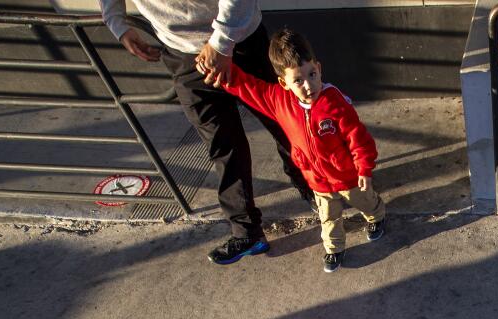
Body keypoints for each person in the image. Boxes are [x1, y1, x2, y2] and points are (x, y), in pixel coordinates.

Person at [98, 0, 312, 265]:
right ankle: (246, 231)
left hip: (241, 42)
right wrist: (118, 24)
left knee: (285, 122)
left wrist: (221, 43)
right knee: (222, 144)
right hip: (184, 55)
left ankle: (311, 183)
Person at [219, 28, 386, 272]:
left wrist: (364, 168)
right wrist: (222, 73)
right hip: (317, 181)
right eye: (298, 80)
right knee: (328, 218)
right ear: (283, 82)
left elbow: (357, 137)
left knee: (365, 202)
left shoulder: (334, 102)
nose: (308, 85)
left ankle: (377, 216)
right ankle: (334, 249)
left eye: (312, 74)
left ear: (319, 68)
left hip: (348, 176)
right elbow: (249, 87)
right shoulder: (279, 101)